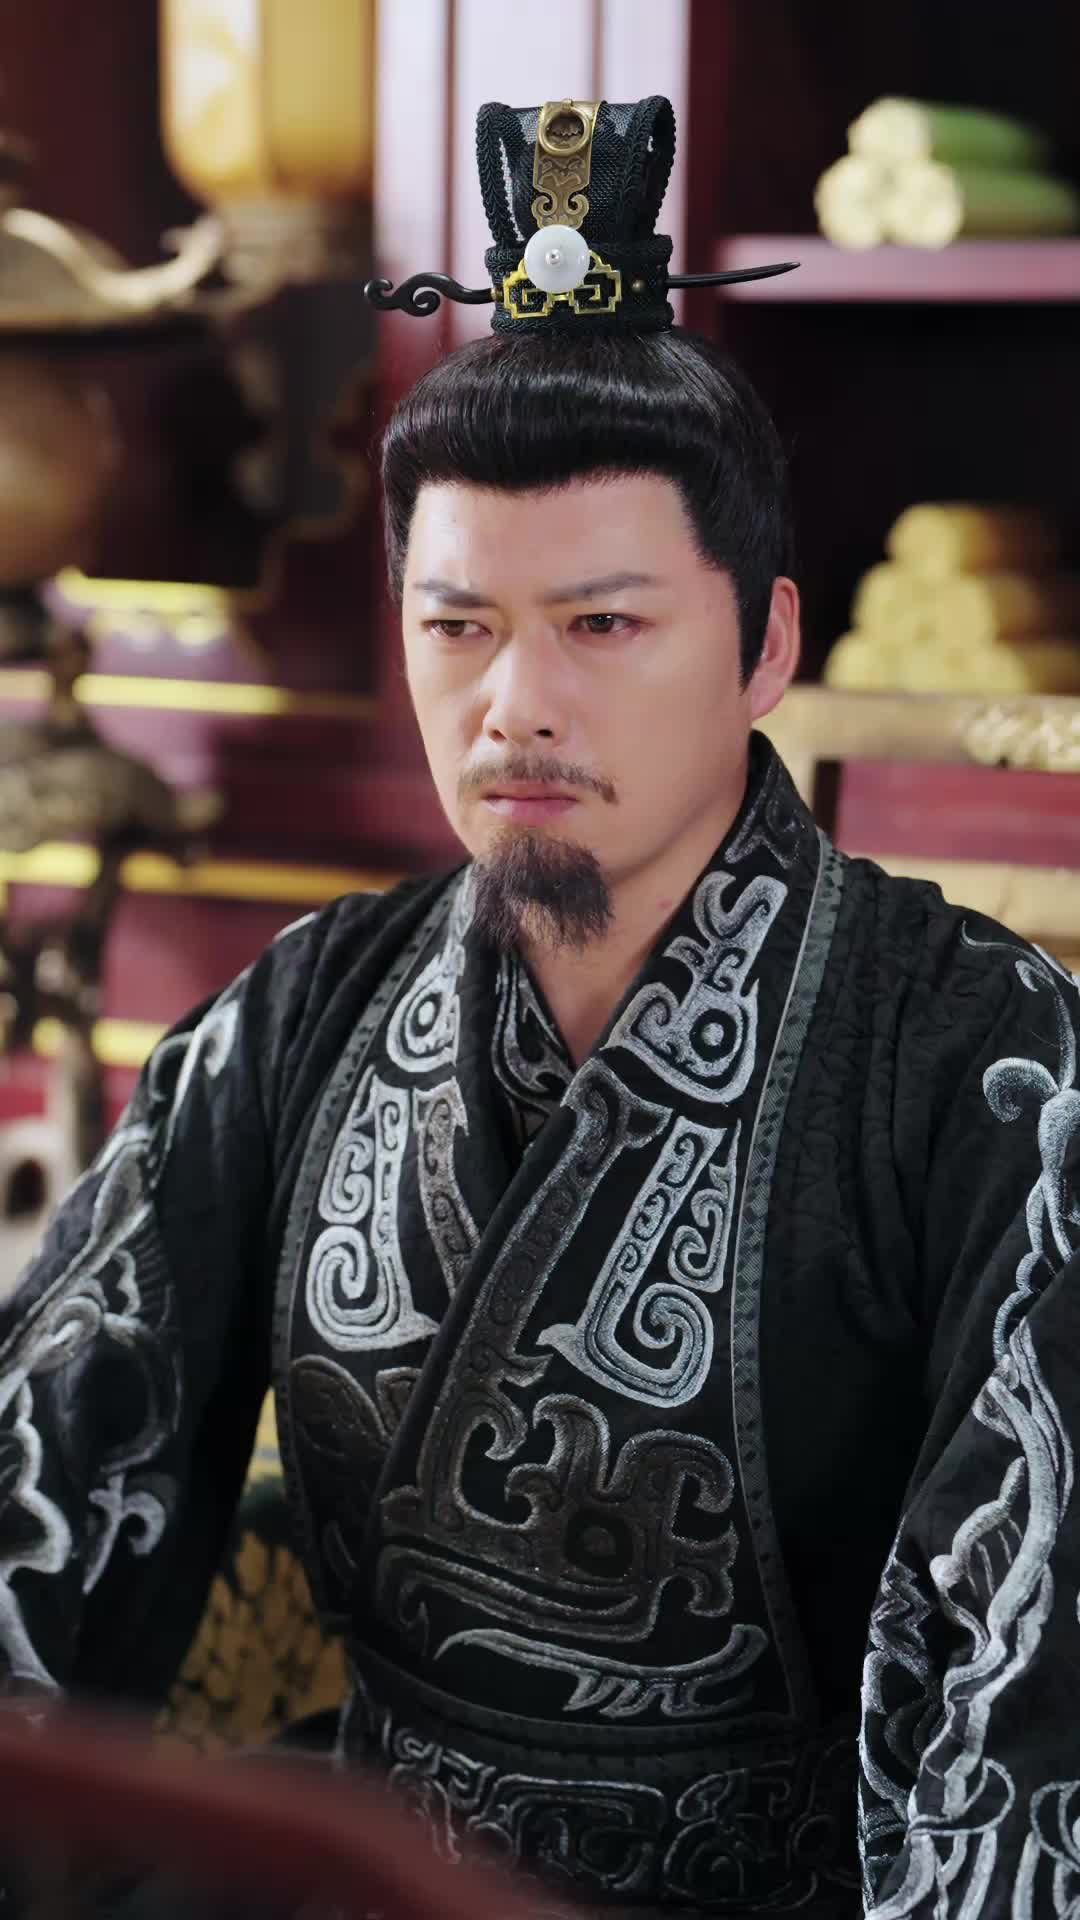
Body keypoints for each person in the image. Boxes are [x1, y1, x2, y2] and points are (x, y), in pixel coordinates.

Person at [0, 92, 1076, 1920]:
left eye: (601, 626)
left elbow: (1015, 1708)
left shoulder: (983, 1065)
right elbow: (49, 1477)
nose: (514, 708)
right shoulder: (300, 1017)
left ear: (765, 645)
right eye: (457, 627)